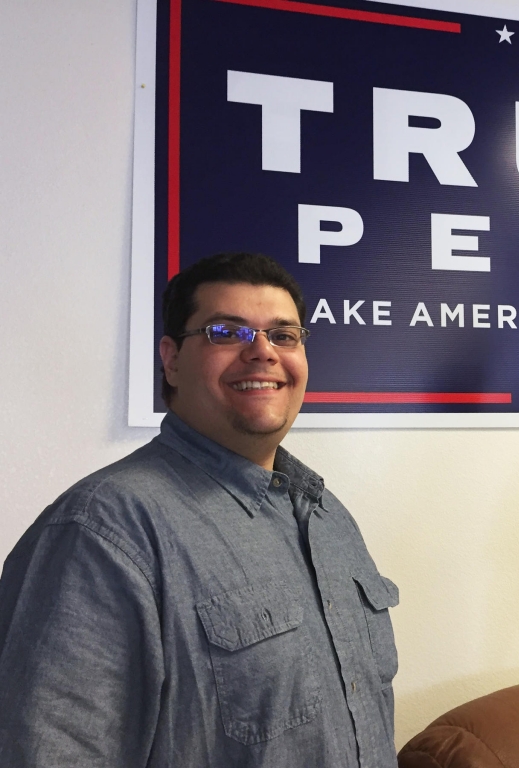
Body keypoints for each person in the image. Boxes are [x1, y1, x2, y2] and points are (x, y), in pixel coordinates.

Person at [0, 252, 400, 767]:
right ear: (170, 359)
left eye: (283, 335)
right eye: (226, 333)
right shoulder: (103, 530)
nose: (262, 353)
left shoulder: (326, 516)